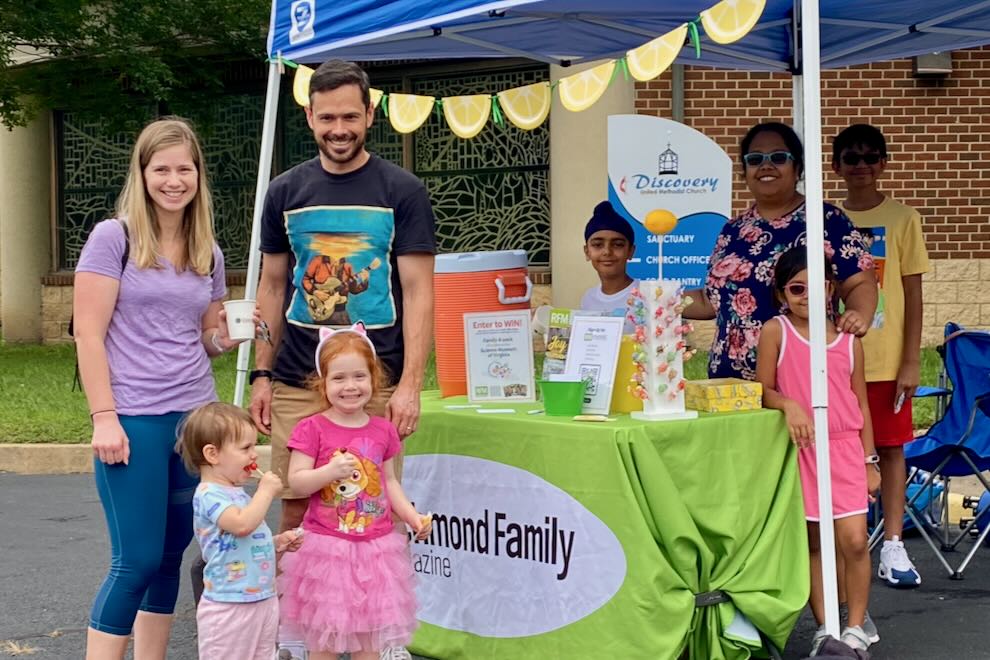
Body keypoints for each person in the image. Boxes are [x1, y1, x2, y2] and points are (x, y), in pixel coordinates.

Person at [248, 58, 435, 660]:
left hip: (373, 378)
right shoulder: (285, 191)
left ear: (369, 114)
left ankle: (371, 635)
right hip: (298, 375)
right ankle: (298, 635)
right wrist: (260, 371)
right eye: (326, 116)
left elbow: (419, 292)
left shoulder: (401, 192)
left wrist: (408, 385)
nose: (339, 127)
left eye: (350, 115)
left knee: (373, 501)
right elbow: (274, 287)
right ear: (309, 116)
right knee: (297, 502)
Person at [74, 117, 254, 659]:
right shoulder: (114, 238)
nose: (173, 180)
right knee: (137, 559)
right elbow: (87, 332)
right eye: (161, 169)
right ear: (142, 173)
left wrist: (226, 339)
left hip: (194, 418)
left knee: (175, 550)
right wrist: (103, 417)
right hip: (133, 417)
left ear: (198, 175)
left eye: (184, 169)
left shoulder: (209, 252)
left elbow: (200, 337)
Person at [755, 246, 882, 654]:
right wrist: (788, 404)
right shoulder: (776, 331)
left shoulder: (848, 341)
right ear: (781, 294)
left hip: (845, 451)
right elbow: (761, 390)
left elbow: (860, 402)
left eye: (817, 286)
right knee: (814, 542)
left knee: (855, 541)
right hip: (802, 450)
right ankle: (826, 628)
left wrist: (870, 460)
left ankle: (856, 626)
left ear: (831, 289)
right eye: (796, 288)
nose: (806, 296)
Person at [279, 325, 433, 660]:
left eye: (359, 376)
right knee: (326, 641)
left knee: (369, 642)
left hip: (376, 550)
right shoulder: (312, 428)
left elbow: (389, 483)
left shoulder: (382, 430)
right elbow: (298, 481)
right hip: (327, 550)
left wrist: (412, 517)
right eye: (339, 378)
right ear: (323, 383)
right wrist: (328, 473)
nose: (350, 386)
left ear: (373, 379)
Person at [683, 121, 878, 381]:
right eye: (755, 159)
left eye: (778, 157)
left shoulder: (826, 220)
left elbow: (860, 281)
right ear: (745, 171)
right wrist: (656, 299)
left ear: (797, 168)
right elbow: (711, 301)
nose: (766, 166)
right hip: (731, 383)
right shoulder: (733, 230)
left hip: (798, 376)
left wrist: (859, 314)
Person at [833, 123, 929, 589]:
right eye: (851, 158)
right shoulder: (827, 220)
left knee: (890, 450)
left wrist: (911, 359)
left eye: (871, 156)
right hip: (837, 357)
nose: (861, 166)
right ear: (837, 167)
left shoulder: (903, 218)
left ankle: (892, 542)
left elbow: (913, 292)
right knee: (840, 447)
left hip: (887, 358)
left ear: (884, 163)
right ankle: (840, 541)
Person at [179, 403, 304, 659]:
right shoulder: (209, 495)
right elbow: (241, 525)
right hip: (229, 606)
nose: (254, 455)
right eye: (245, 448)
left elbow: (242, 540)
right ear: (212, 454)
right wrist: (266, 491)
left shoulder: (237, 494)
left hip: (261, 599)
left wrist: (276, 542)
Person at [579, 200, 639, 331]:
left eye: (617, 244)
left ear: (630, 251)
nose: (607, 252)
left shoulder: (648, 295)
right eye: (597, 245)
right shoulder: (588, 298)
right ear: (587, 252)